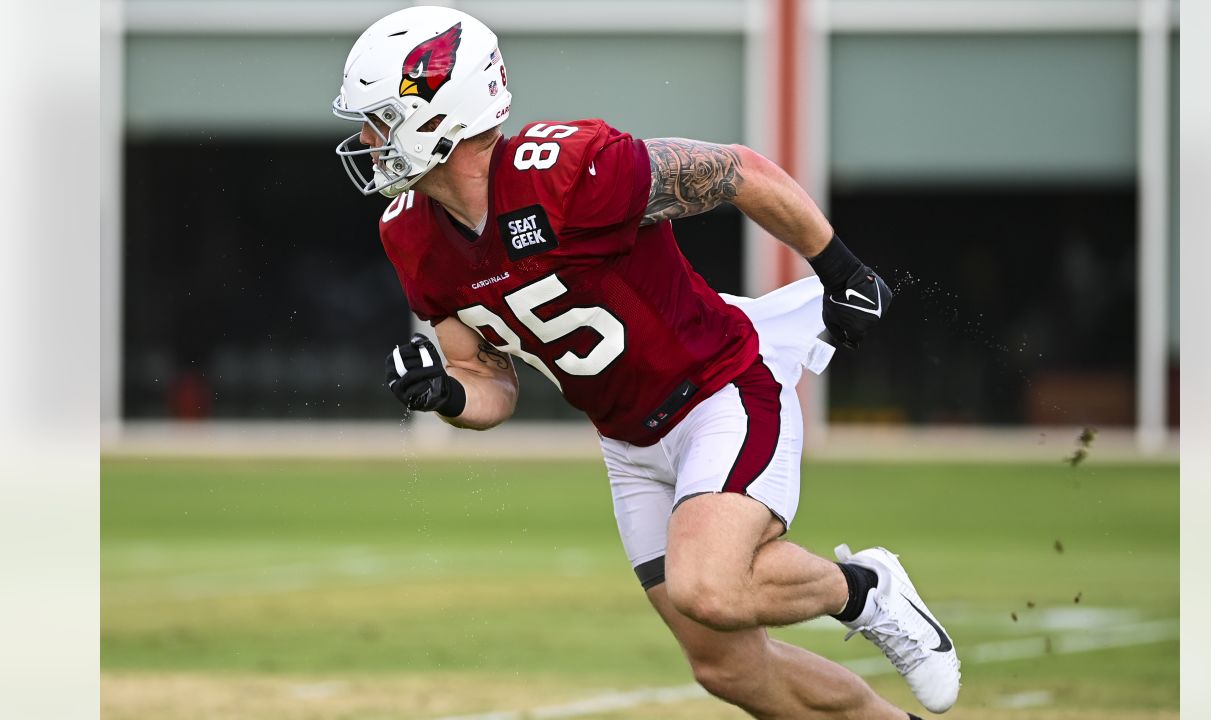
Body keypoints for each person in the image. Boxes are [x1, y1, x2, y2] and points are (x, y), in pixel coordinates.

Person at [332, 6, 960, 718]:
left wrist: (838, 267)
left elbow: (732, 170)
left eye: (380, 119)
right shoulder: (410, 233)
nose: (365, 139)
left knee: (710, 588)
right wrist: (443, 392)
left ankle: (866, 590)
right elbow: (490, 384)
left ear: (441, 111)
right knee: (725, 667)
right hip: (628, 441)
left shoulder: (565, 170)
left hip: (719, 388)